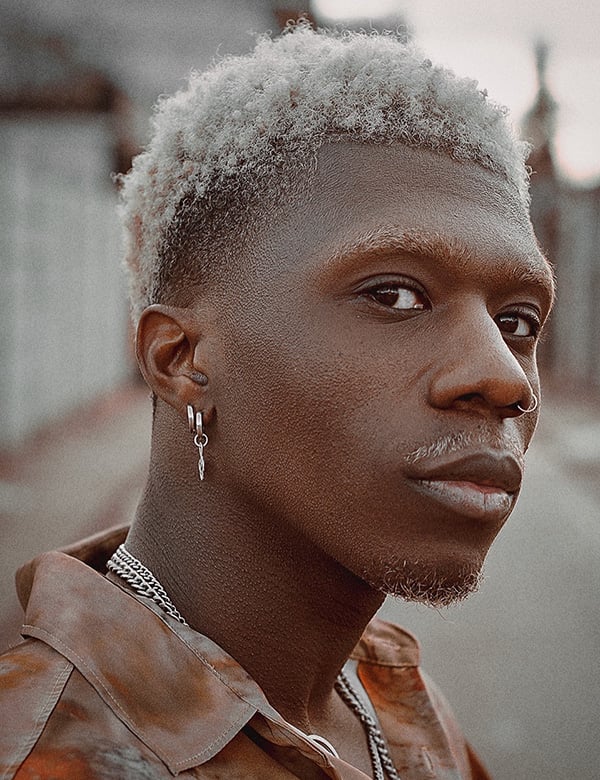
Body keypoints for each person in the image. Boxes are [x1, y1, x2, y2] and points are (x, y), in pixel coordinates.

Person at [0, 24, 554, 779]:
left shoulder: (399, 704)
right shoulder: (38, 753)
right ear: (181, 359)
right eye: (395, 295)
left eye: (518, 322)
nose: (507, 379)